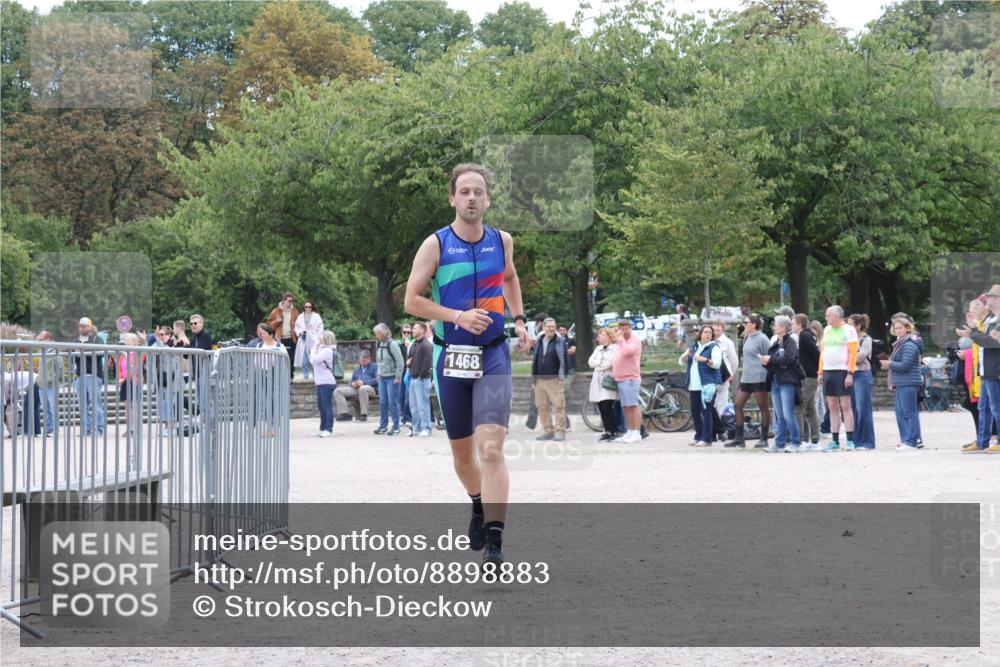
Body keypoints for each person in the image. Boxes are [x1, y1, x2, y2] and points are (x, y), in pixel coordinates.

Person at [403, 162, 530, 568]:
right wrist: (457, 316)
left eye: (478, 192)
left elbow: (510, 278)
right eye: (464, 192)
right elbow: (412, 300)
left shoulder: (502, 241)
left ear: (488, 199)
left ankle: (495, 541)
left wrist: (519, 319)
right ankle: (478, 501)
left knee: (491, 447)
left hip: (493, 353)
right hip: (451, 356)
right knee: (462, 457)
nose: (471, 198)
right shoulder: (436, 244)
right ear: (453, 199)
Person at [958, 285, 1000, 452]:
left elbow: (991, 342)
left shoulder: (997, 320)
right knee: (984, 408)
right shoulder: (992, 320)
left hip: (994, 370)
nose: (986, 299)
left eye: (990, 296)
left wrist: (972, 334)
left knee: (996, 408)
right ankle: (982, 441)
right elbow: (988, 340)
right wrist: (975, 333)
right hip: (986, 369)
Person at [724, 314, 771, 448]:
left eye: (746, 323)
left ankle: (764, 438)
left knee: (762, 406)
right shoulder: (747, 337)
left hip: (759, 377)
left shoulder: (762, 338)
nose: (744, 325)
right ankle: (739, 437)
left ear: (754, 324)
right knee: (737, 405)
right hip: (746, 377)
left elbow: (768, 356)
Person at [818, 306, 859, 452]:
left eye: (828, 315)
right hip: (828, 370)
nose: (826, 318)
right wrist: (820, 372)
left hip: (842, 371)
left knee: (846, 405)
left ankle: (850, 440)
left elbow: (853, 353)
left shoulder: (849, 330)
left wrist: (850, 373)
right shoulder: (827, 329)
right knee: (832, 406)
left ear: (837, 316)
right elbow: (823, 351)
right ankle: (834, 440)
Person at [881, 317, 923, 451]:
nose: (898, 330)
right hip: (902, 382)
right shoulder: (901, 343)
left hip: (908, 382)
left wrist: (889, 364)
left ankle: (912, 441)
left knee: (909, 412)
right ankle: (908, 439)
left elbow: (905, 365)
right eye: (896, 328)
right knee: (901, 412)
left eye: (900, 328)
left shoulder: (909, 344)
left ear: (907, 328)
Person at [761, 315, 802, 453]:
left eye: (776, 325)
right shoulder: (776, 342)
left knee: (788, 414)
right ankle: (779, 443)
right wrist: (765, 361)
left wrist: (770, 359)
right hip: (775, 380)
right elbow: (773, 361)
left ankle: (796, 442)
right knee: (779, 414)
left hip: (787, 381)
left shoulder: (790, 342)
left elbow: (789, 359)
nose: (774, 327)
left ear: (784, 327)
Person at [681, 324, 723, 447]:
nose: (708, 334)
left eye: (710, 332)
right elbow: (681, 361)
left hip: (707, 385)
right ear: (700, 334)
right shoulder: (694, 347)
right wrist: (685, 357)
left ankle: (707, 438)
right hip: (693, 385)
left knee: (706, 411)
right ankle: (698, 436)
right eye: (705, 332)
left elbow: (717, 364)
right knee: (695, 411)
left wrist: (704, 359)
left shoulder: (714, 347)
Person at [531, 318, 571, 442]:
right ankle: (548, 431)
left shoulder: (560, 341)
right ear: (543, 328)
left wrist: (562, 377)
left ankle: (560, 432)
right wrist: (534, 380)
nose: (551, 329)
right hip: (539, 380)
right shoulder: (539, 341)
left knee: (559, 406)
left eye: (553, 326)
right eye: (549, 326)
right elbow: (535, 360)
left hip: (555, 379)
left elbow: (565, 361)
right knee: (541, 406)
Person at [611, 318, 644, 443]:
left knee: (633, 405)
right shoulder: (621, 341)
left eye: (626, 329)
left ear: (630, 328)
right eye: (622, 329)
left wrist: (620, 338)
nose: (624, 331)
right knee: (626, 407)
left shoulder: (635, 340)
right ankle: (630, 431)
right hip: (621, 378)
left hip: (631, 378)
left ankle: (637, 432)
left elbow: (627, 352)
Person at [71, 317, 106, 436]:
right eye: (80, 326)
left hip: (94, 375)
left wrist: (82, 351)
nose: (82, 328)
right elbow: (73, 357)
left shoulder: (97, 339)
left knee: (96, 404)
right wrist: (78, 353)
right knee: (82, 405)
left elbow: (99, 355)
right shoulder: (76, 340)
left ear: (90, 327)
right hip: (80, 376)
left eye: (84, 326)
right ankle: (86, 429)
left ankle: (99, 428)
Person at [847, 314, 876, 449]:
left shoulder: (866, 339)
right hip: (849, 374)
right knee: (852, 408)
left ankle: (867, 441)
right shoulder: (847, 339)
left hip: (862, 374)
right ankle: (855, 440)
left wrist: (845, 356)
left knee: (862, 408)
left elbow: (860, 357)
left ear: (858, 326)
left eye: (851, 324)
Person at [793, 314, 821, 449]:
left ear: (799, 324)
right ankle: (814, 440)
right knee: (810, 408)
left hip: (809, 376)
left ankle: (801, 440)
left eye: (793, 323)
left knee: (799, 407)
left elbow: (816, 354)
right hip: (810, 375)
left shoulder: (805, 336)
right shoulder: (806, 335)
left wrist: (818, 370)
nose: (791, 326)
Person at [588, 327, 619, 442]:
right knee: (601, 406)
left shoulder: (615, 348)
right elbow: (590, 362)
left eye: (601, 335)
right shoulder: (598, 348)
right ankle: (607, 430)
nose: (598, 337)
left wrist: (598, 364)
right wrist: (599, 363)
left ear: (608, 336)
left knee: (607, 406)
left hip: (608, 380)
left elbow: (609, 363)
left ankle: (613, 430)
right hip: (597, 380)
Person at [372, 323, 404, 435]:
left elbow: (400, 362)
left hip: (392, 378)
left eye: (378, 333)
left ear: (384, 333)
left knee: (392, 403)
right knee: (383, 403)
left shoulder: (392, 344)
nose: (376, 335)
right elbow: (379, 361)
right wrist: (378, 373)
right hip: (382, 378)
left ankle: (396, 427)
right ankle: (383, 426)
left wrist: (398, 376)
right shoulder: (380, 344)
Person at [711, 321, 739, 441]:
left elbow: (734, 361)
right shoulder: (709, 341)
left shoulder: (728, 342)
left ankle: (724, 430)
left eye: (719, 327)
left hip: (723, 377)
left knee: (721, 404)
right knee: (710, 405)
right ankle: (714, 429)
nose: (716, 329)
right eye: (714, 327)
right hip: (710, 377)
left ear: (723, 329)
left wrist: (730, 374)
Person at [309, 330, 339, 437]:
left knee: (326, 406)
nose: (319, 337)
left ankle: (328, 429)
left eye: (322, 335)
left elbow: (313, 360)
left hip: (326, 381)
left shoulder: (327, 350)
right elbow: (313, 360)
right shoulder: (322, 349)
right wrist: (316, 348)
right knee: (321, 406)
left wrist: (313, 348)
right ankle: (322, 428)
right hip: (320, 382)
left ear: (326, 338)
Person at [334, 351, 379, 420]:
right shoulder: (357, 370)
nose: (362, 362)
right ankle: (344, 414)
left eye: (364, 360)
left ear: (369, 359)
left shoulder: (375, 367)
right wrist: (353, 384)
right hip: (357, 389)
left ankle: (363, 414)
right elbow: (352, 381)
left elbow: (377, 379)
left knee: (363, 388)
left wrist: (364, 382)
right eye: (361, 360)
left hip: (371, 388)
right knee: (338, 391)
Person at [408, 322, 434, 437]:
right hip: (413, 378)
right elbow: (409, 359)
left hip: (422, 379)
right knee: (414, 406)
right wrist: (408, 363)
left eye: (415, 328)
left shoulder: (426, 345)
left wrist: (420, 375)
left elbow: (428, 362)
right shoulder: (414, 344)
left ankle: (426, 428)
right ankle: (416, 428)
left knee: (423, 405)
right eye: (413, 328)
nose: (412, 330)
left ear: (423, 331)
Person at [118, 333, 145, 438]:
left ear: (134, 342)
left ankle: (135, 428)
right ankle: (129, 428)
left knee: (135, 406)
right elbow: (120, 368)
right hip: (125, 383)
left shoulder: (138, 353)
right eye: (125, 340)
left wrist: (124, 378)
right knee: (127, 407)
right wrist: (120, 378)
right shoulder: (123, 354)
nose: (126, 342)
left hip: (135, 382)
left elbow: (135, 368)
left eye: (128, 340)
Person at [267, 293, 299, 380]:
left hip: (291, 338)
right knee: (278, 359)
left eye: (292, 301)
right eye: (289, 301)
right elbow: (269, 325)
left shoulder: (295, 311)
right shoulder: (276, 311)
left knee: (291, 359)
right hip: (279, 339)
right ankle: (279, 377)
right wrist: (277, 321)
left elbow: (299, 324)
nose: (291, 303)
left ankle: (290, 377)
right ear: (284, 300)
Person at [188, 314, 213, 414]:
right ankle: (204, 420)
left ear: (201, 324)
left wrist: (187, 348)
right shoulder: (194, 338)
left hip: (205, 372)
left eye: (195, 323)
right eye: (191, 324)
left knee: (204, 400)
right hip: (198, 373)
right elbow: (187, 354)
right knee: (200, 400)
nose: (193, 325)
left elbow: (199, 350)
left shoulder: (206, 336)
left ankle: (210, 421)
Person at [293, 301, 324, 381]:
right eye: (306, 307)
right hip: (303, 339)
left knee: (314, 359)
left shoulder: (316, 316)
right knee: (304, 360)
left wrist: (317, 336)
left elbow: (321, 328)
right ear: (304, 307)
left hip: (313, 339)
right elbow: (296, 327)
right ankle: (305, 376)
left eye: (310, 307)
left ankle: (316, 376)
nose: (308, 308)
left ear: (312, 307)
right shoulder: (300, 316)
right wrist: (300, 332)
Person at [398, 323, 414, 428]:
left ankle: (408, 417)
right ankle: (404, 417)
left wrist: (409, 345)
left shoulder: (413, 343)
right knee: (401, 396)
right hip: (401, 372)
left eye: (409, 332)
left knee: (408, 396)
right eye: (405, 332)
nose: (407, 334)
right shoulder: (398, 344)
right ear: (401, 333)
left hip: (410, 371)